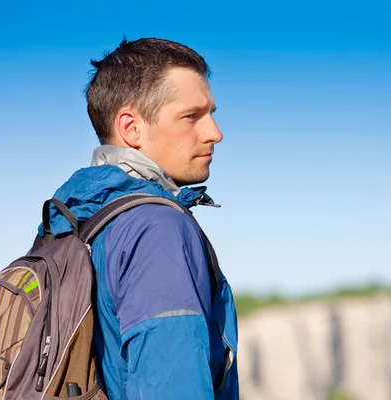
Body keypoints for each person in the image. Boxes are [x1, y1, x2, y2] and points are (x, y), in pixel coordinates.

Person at [41, 37, 239, 399]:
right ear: (131, 128)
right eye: (192, 116)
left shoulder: (75, 221)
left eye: (212, 113)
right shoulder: (156, 228)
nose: (215, 133)